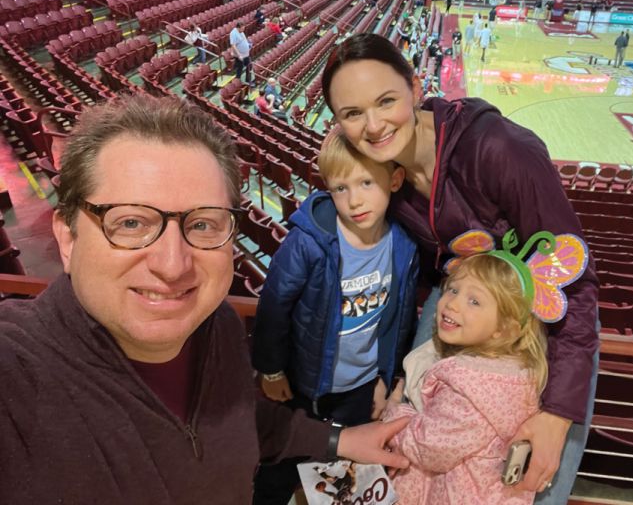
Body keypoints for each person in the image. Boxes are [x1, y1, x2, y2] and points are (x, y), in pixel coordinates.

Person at [0, 94, 412, 503]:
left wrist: (338, 439)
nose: (173, 264)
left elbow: (240, 419)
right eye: (130, 222)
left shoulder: (219, 326)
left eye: (202, 224)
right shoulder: (17, 375)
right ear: (68, 238)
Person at [321, 34, 599, 504]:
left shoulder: (498, 149)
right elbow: (416, 278)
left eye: (386, 100)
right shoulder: (379, 172)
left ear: (415, 86)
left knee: (533, 483)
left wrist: (559, 411)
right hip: (460, 305)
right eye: (352, 113)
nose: (373, 125)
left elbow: (574, 280)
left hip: (541, 318)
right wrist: (396, 371)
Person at [251, 128, 418, 505]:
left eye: (366, 183)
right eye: (341, 188)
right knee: (279, 468)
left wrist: (385, 378)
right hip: (303, 383)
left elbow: (399, 321)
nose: (354, 200)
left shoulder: (404, 245)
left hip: (359, 389)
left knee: (346, 477)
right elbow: (273, 306)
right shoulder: (309, 241)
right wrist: (272, 369)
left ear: (394, 180)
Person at [385, 245, 556, 504]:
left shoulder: (469, 384)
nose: (452, 303)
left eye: (474, 301)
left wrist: (394, 414)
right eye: (453, 290)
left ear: (504, 329)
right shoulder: (516, 374)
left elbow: (428, 446)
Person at [229, 21, 252, 86]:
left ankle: (247, 80)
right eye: (242, 29)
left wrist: (248, 44)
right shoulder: (233, 33)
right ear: (238, 28)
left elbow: (244, 39)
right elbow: (233, 45)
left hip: (246, 53)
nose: (243, 30)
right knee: (240, 68)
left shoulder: (241, 31)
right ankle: (236, 82)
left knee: (249, 66)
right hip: (240, 55)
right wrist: (239, 55)